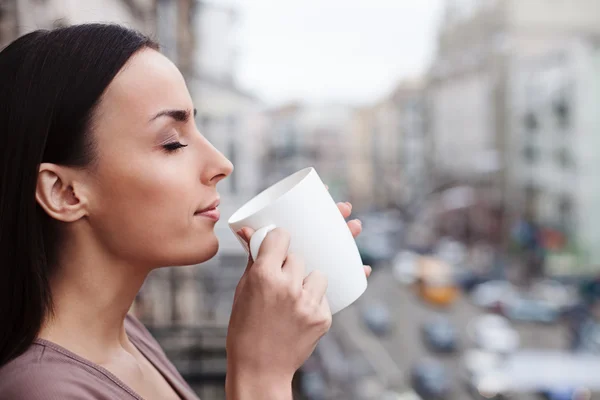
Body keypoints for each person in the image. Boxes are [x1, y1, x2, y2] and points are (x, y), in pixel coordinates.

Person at [0, 24, 369, 400]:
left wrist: (271, 320)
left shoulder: (125, 337)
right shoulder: (41, 390)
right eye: (172, 143)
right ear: (64, 192)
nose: (221, 163)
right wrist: (260, 376)